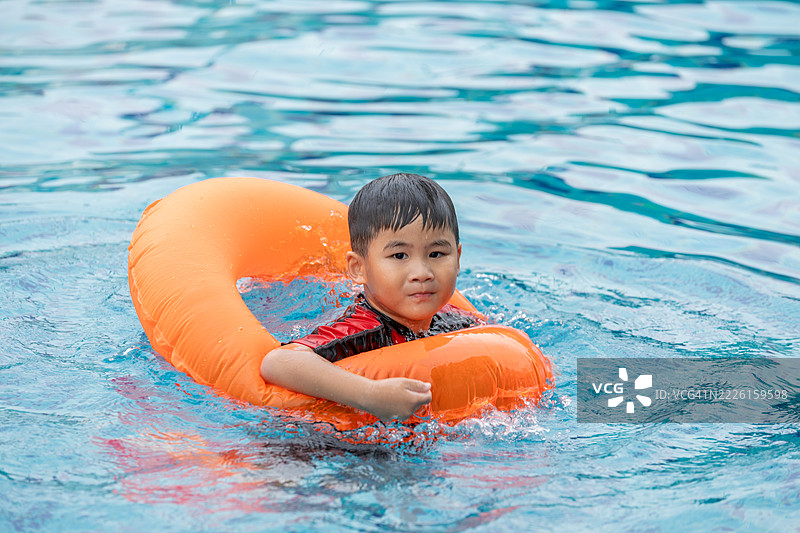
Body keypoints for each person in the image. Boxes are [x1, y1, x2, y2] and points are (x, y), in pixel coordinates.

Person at [259, 174, 480, 423]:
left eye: (437, 253)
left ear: (458, 258)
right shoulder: (362, 330)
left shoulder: (455, 321)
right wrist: (371, 394)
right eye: (399, 256)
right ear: (358, 268)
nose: (422, 273)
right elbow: (279, 362)